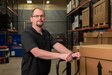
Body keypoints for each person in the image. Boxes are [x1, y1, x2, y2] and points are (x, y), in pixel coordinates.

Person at [21, 7, 80, 75]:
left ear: (44, 18)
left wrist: (71, 53)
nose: (39, 18)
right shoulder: (27, 34)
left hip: (45, 72)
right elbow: (36, 52)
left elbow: (56, 45)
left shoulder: (46, 33)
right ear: (31, 18)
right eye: (36, 16)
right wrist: (60, 55)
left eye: (42, 16)